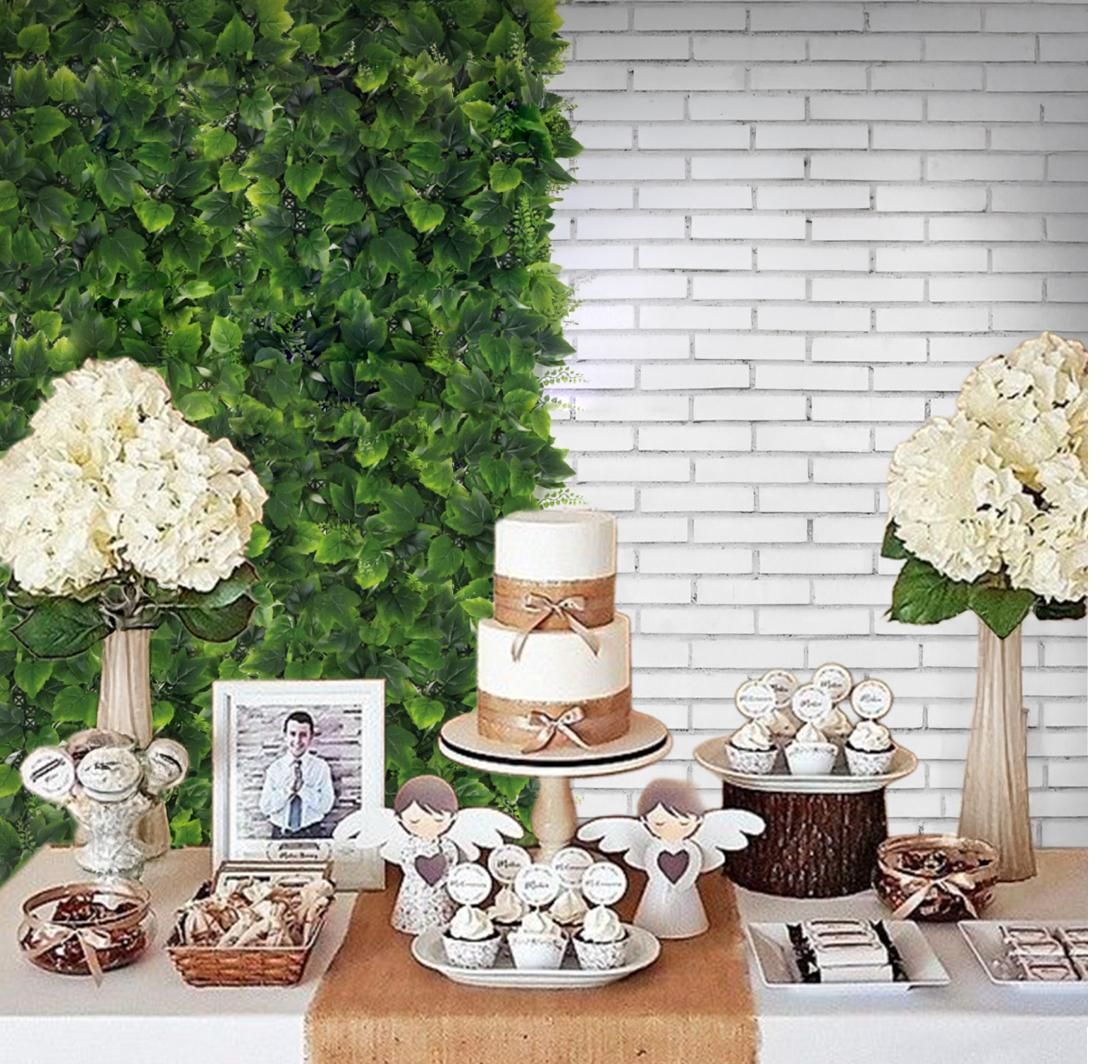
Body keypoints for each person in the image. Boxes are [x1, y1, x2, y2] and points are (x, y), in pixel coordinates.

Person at [259, 711, 335, 839]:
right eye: (292, 734)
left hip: (312, 832)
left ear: (311, 737)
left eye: (303, 735)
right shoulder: (275, 769)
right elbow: (265, 807)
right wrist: (288, 790)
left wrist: (302, 789)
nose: (297, 740)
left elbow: (326, 806)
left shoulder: (321, 767)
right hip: (280, 834)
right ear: (285, 736)